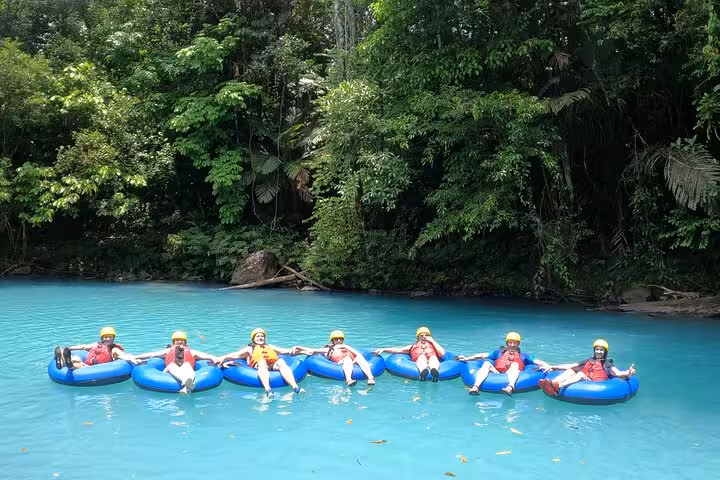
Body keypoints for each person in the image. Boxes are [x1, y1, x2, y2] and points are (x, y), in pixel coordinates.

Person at [216, 328, 305, 397]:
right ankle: (268, 390)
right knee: (262, 362)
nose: (260, 338)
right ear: (253, 339)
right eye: (258, 336)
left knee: (281, 361)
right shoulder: (250, 348)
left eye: (262, 336)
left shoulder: (270, 346)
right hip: (258, 366)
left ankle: (295, 388)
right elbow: (236, 355)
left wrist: (302, 350)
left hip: (272, 365)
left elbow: (288, 352)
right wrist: (222, 358)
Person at [457, 332, 550, 396]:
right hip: (497, 373)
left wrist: (548, 366)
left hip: (512, 373)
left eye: (515, 343)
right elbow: (482, 355)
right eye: (510, 342)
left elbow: (538, 362)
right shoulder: (498, 352)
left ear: (518, 344)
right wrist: (467, 358)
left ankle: (510, 387)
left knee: (515, 365)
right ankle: (475, 387)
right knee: (486, 363)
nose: (512, 345)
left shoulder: (524, 355)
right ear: (507, 343)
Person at [538, 339, 636, 396]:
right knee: (570, 371)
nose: (599, 352)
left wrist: (628, 373)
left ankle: (558, 387)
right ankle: (552, 384)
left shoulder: (607, 364)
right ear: (594, 350)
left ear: (605, 352)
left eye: (601, 350)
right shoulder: (588, 361)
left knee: (580, 373)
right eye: (597, 349)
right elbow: (572, 365)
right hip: (584, 380)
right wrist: (553, 367)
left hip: (595, 384)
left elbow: (618, 373)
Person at [133, 331, 219, 394]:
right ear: (173, 342)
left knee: (187, 364)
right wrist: (135, 357)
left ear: (185, 342)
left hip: (186, 370)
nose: (179, 341)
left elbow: (205, 355)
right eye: (177, 340)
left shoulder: (191, 351)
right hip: (169, 371)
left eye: (182, 340)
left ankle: (187, 386)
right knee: (172, 365)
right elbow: (152, 354)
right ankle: (186, 382)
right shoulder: (168, 350)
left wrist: (216, 358)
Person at [296, 330, 376, 386]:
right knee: (347, 358)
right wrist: (298, 347)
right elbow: (311, 351)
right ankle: (349, 380)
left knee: (359, 357)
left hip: (353, 363)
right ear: (332, 341)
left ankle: (370, 378)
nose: (339, 340)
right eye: (336, 339)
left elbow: (358, 354)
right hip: (338, 364)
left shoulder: (347, 347)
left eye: (341, 339)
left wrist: (345, 347)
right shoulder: (328, 349)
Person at [375, 327, 445, 381]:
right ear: (418, 337)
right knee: (422, 357)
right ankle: (423, 372)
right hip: (420, 359)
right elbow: (398, 349)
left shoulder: (433, 345)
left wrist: (432, 340)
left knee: (433, 357)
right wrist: (384, 349)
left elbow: (442, 353)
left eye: (426, 335)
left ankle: (434, 371)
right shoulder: (413, 346)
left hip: (432, 359)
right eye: (421, 335)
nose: (424, 337)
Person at [53, 327, 138, 369]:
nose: (108, 339)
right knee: (76, 358)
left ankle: (66, 362)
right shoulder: (96, 345)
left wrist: (131, 359)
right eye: (105, 337)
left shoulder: (114, 349)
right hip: (88, 365)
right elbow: (83, 346)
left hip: (94, 369)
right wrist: (69, 348)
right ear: (102, 338)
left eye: (110, 337)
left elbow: (122, 355)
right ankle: (64, 360)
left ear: (113, 338)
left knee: (80, 364)